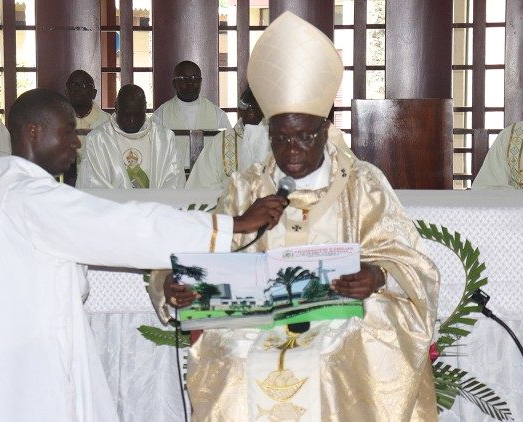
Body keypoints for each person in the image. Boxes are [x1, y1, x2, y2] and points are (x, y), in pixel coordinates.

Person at [151, 12, 440, 421]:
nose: (292, 150)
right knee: (230, 360)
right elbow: (205, 245)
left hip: (341, 316)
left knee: (348, 352)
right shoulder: (247, 187)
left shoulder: (362, 183)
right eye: (282, 138)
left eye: (305, 137)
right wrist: (175, 284)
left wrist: (376, 275)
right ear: (268, 134)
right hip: (257, 321)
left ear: (326, 130)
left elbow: (411, 260)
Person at [0, 88, 286, 422]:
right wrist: (233, 225)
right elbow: (126, 226)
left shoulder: (10, 189)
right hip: (38, 354)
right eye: (68, 132)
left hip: (33, 339)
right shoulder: (31, 198)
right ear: (34, 131)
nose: (77, 144)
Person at [76, 84, 185, 189]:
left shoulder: (165, 139)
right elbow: (92, 184)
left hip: (156, 206)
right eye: (127, 114)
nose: (132, 120)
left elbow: (174, 182)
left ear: (145, 109)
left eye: (137, 115)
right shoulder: (97, 140)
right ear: (116, 107)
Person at [151, 61, 232, 168]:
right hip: (173, 179)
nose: (191, 83)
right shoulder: (160, 115)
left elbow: (228, 149)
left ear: (201, 82)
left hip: (208, 179)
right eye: (184, 79)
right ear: (174, 83)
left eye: (195, 78)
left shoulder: (218, 115)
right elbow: (153, 152)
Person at [187, 87, 269, 189]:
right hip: (227, 202)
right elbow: (201, 184)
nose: (259, 115)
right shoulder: (219, 142)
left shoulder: (275, 141)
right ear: (241, 111)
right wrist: (229, 187)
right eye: (253, 109)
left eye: (263, 109)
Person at [63, 69, 111, 185]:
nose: (77, 89)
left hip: (99, 185)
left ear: (94, 93)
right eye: (73, 85)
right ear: (66, 91)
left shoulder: (108, 122)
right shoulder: (58, 121)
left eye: (84, 85)